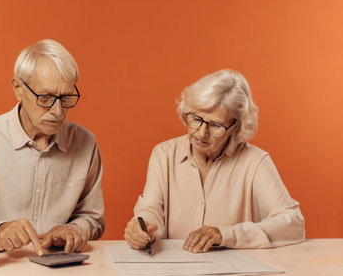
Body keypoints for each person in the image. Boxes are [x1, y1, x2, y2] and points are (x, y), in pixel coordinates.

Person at [0, 39, 104, 255]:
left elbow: (93, 218)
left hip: (62, 274)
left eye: (66, 97)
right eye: (46, 97)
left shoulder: (86, 143)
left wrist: (75, 230)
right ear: (18, 89)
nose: (58, 111)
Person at [124, 69, 305, 253]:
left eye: (216, 125)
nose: (202, 133)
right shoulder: (163, 154)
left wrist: (224, 235)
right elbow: (151, 210)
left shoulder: (255, 162)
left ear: (235, 126)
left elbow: (293, 223)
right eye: (196, 119)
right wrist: (143, 228)